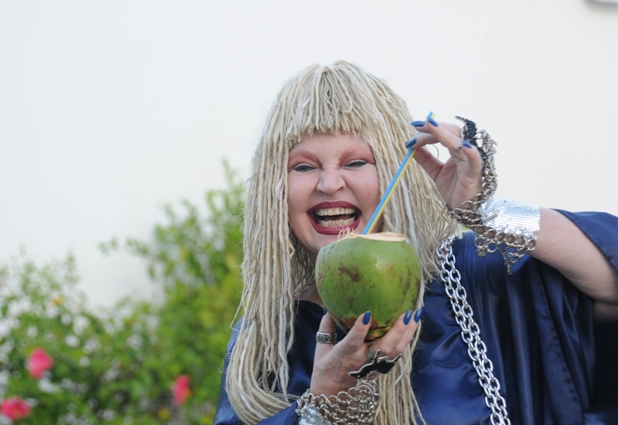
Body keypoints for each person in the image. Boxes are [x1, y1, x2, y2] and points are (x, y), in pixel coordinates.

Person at [213, 61, 618, 425]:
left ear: (394, 174)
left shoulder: (471, 279)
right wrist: (324, 406)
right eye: (304, 166)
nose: (329, 183)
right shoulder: (264, 341)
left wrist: (485, 213)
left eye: (356, 162)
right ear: (275, 190)